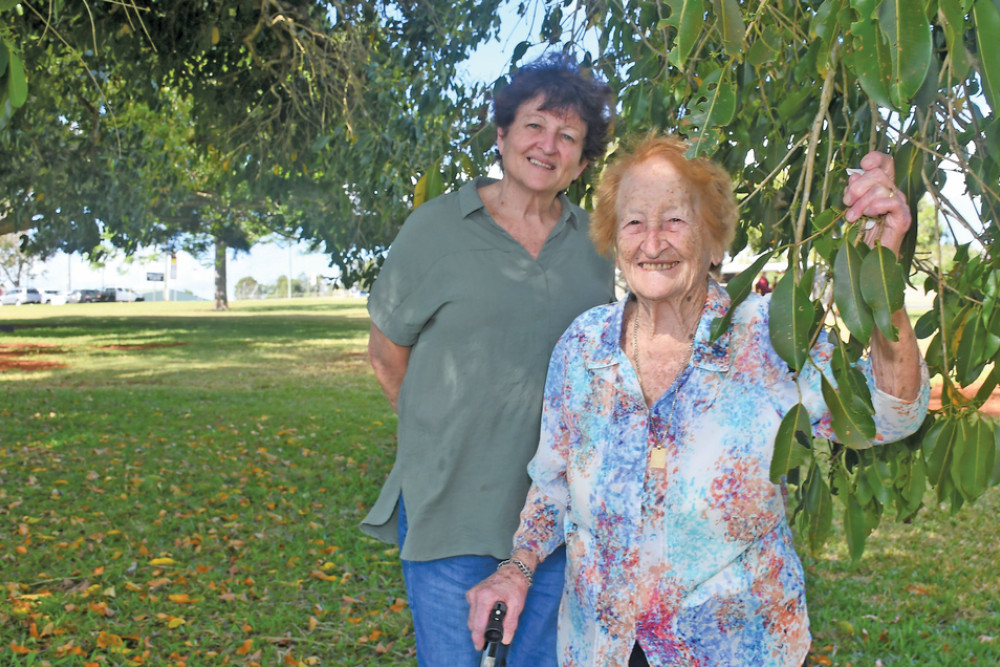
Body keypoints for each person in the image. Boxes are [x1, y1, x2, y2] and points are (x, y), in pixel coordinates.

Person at [467, 135, 929, 666]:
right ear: (615, 241)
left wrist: (882, 275)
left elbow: (891, 414)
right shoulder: (583, 346)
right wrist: (517, 568)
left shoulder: (768, 335)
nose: (653, 242)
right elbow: (552, 484)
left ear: (714, 243)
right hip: (601, 648)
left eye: (675, 221)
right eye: (634, 223)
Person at [363, 53, 616, 666]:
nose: (547, 145)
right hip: (451, 506)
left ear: (582, 163)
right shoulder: (434, 230)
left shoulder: (598, 245)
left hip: (558, 515)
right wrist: (442, 435)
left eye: (567, 136)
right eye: (534, 125)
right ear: (501, 134)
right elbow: (386, 354)